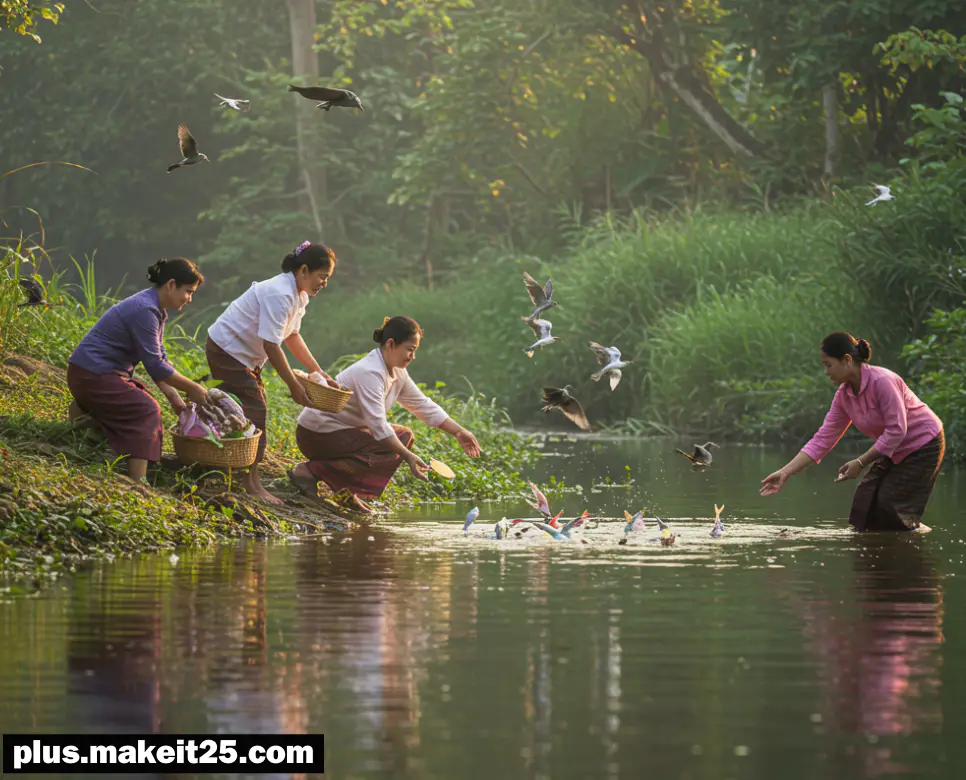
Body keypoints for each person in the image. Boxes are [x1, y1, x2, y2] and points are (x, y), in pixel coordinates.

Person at [288, 315, 482, 513]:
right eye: (410, 350)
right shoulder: (370, 372)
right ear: (391, 344)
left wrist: (459, 432)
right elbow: (378, 426)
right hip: (316, 436)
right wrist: (408, 456)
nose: (412, 357)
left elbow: (423, 405)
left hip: (343, 434)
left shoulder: (397, 372)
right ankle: (309, 472)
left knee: (404, 436)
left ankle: (347, 491)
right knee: (396, 443)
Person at [760, 331, 944, 531]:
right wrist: (785, 472)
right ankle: (875, 551)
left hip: (923, 444)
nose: (826, 372)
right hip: (894, 448)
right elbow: (822, 439)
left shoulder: (882, 381)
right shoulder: (844, 396)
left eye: (828, 365)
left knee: (889, 505)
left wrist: (860, 462)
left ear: (847, 360)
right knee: (864, 502)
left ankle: (913, 539)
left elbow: (897, 430)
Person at [205, 241, 339, 504]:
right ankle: (251, 485)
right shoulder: (279, 293)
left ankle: (236, 473)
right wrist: (293, 384)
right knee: (255, 412)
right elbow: (271, 344)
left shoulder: (298, 296)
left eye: (327, 278)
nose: (324, 283)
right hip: (228, 349)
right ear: (303, 270)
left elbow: (292, 336)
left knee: (240, 412)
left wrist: (317, 371)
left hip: (245, 356)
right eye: (322, 276)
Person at [67, 258, 210, 482]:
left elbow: (158, 358)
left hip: (91, 374)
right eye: (188, 291)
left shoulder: (154, 309)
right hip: (92, 375)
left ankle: (86, 417)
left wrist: (173, 395)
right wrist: (194, 388)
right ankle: (139, 481)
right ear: (171, 284)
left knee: (138, 395)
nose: (189, 299)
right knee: (146, 410)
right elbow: (155, 365)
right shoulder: (144, 309)